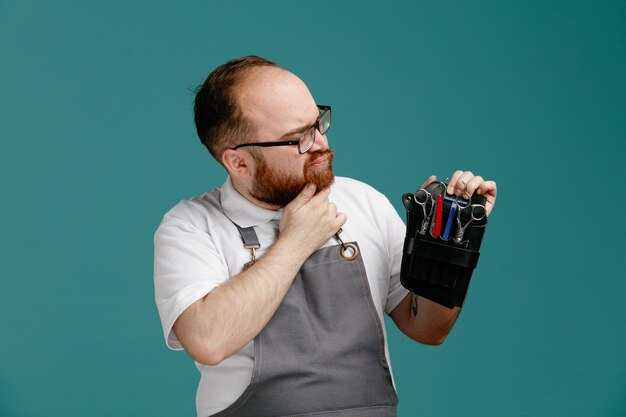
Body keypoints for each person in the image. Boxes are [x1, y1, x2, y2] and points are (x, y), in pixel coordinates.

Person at [153, 56, 497, 417]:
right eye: (296, 138)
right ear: (238, 163)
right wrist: (296, 242)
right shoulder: (191, 226)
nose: (320, 143)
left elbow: (428, 329)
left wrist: (450, 254)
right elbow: (208, 340)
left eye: (318, 124)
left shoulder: (363, 202)